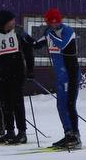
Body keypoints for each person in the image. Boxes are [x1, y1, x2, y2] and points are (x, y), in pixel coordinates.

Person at [0, 10, 35, 144]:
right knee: (5, 104)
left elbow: (29, 50)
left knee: (17, 103)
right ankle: (10, 132)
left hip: (17, 74)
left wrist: (30, 69)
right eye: (11, 20)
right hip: (0, 75)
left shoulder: (18, 32)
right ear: (5, 21)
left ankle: (22, 132)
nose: (14, 22)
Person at [31, 8, 81, 149]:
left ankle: (75, 136)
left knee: (69, 105)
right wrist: (26, 39)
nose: (54, 25)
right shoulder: (49, 32)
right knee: (61, 106)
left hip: (71, 74)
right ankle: (68, 134)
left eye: (56, 22)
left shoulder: (68, 31)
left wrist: (49, 34)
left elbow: (62, 44)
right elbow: (36, 44)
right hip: (60, 75)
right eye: (51, 22)